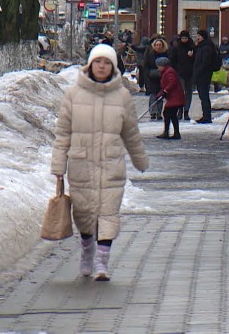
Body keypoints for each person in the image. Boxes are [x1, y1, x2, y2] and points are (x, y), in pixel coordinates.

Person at [51, 43, 149, 280]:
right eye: (98, 62)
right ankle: (87, 252)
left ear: (113, 66)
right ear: (90, 65)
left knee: (108, 213)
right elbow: (63, 133)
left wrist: (140, 159)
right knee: (84, 215)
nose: (102, 66)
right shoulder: (73, 95)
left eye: (107, 62)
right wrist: (58, 166)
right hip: (81, 165)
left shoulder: (122, 96)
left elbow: (131, 132)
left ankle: (102, 262)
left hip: (111, 165)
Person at [155, 56, 185, 140]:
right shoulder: (167, 71)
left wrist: (165, 91)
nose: (158, 68)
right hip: (174, 97)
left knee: (167, 113)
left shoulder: (169, 72)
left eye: (158, 66)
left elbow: (172, 82)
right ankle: (174, 132)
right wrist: (160, 94)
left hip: (175, 97)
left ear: (162, 65)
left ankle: (168, 132)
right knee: (171, 114)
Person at [192, 30, 217, 124]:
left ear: (203, 37)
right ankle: (205, 115)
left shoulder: (206, 47)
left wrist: (198, 71)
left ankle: (207, 116)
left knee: (204, 95)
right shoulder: (201, 46)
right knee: (203, 96)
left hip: (204, 75)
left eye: (199, 36)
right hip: (202, 74)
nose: (197, 38)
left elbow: (205, 62)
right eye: (197, 35)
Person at [143, 36, 170, 120]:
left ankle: (159, 112)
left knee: (160, 95)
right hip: (152, 77)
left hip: (162, 77)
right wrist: (147, 74)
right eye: (157, 45)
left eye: (160, 45)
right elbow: (146, 65)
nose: (158, 46)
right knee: (153, 95)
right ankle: (152, 112)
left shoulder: (166, 53)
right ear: (154, 46)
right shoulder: (150, 54)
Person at [171, 30, 196, 121]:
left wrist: (192, 56)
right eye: (182, 38)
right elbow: (173, 61)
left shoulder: (192, 47)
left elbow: (196, 60)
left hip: (190, 73)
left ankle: (186, 111)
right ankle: (180, 110)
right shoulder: (177, 48)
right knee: (180, 93)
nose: (184, 40)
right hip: (180, 73)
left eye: (185, 38)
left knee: (188, 93)